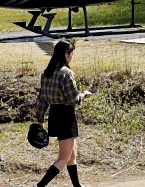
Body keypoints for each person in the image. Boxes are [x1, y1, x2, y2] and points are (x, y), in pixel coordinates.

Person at [32, 40, 93, 187]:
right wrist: (85, 94)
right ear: (66, 54)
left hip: (54, 114)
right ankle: (39, 186)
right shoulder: (66, 73)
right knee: (64, 158)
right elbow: (73, 99)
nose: (72, 56)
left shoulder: (47, 73)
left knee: (72, 154)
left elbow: (42, 100)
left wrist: (40, 120)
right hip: (66, 115)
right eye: (71, 53)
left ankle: (77, 185)